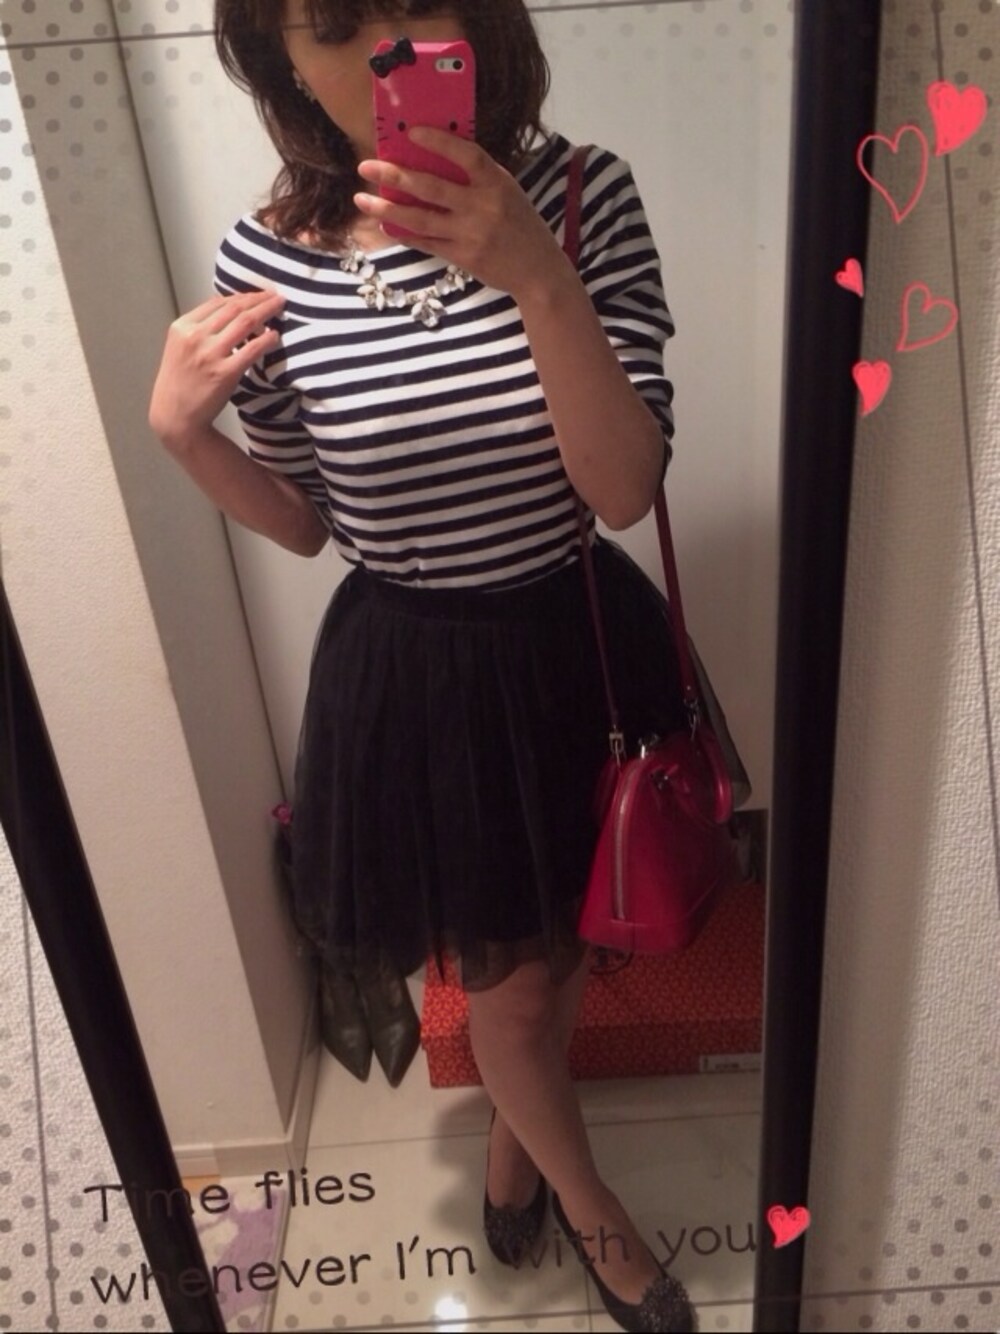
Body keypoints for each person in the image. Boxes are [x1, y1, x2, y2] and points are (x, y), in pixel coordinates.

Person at [149, 2, 695, 1330]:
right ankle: (595, 1214)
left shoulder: (585, 195)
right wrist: (186, 439)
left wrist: (540, 277)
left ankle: (517, 1140)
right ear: (283, 61)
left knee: (560, 943)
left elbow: (623, 488)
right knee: (508, 992)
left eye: (415, 4)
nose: (385, 52)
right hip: (419, 673)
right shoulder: (265, 257)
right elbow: (305, 522)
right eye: (336, 24)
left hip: (574, 635)